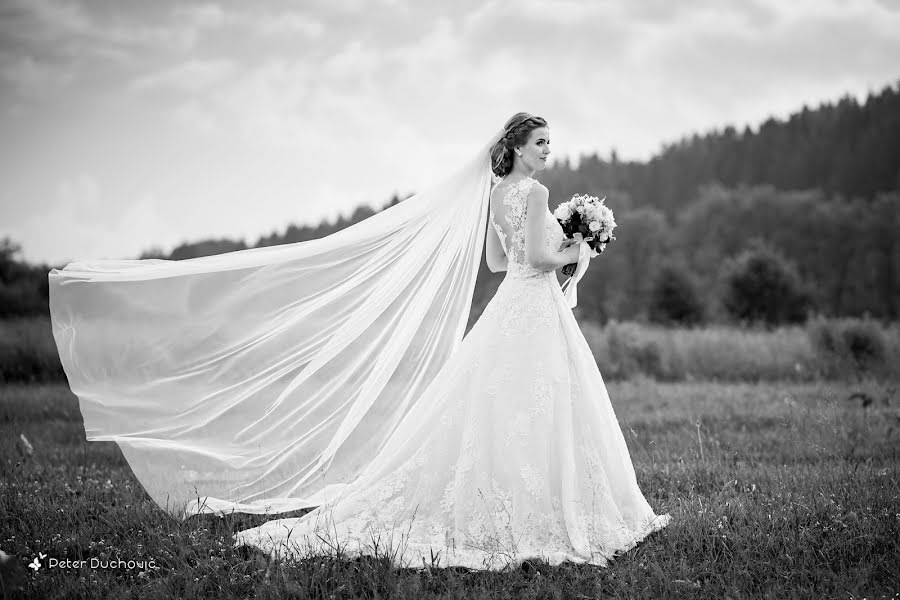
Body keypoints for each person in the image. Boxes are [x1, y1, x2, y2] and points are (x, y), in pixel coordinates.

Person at [231, 113, 670, 570]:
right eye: (540, 143)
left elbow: (498, 262)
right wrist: (579, 250)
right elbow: (539, 258)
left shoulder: (496, 194)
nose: (547, 151)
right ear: (518, 147)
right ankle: (548, 508)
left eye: (549, 144)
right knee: (546, 396)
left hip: (510, 304)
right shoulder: (536, 193)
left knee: (504, 400)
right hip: (535, 307)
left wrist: (555, 250)